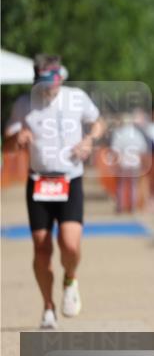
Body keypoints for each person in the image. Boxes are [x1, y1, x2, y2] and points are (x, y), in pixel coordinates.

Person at [3, 55, 104, 329]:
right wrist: (16, 139)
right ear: (37, 80)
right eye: (46, 81)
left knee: (70, 245)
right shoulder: (24, 105)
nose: (52, 86)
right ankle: (48, 307)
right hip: (38, 182)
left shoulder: (77, 98)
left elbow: (98, 123)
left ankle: (70, 278)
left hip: (70, 180)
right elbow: (8, 146)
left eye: (56, 79)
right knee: (41, 247)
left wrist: (89, 140)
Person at [109, 110, 149, 213]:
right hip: (134, 162)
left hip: (123, 162)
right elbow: (143, 149)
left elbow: (115, 149)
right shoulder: (137, 134)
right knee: (133, 186)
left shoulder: (119, 133)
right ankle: (132, 207)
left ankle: (121, 206)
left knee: (121, 185)